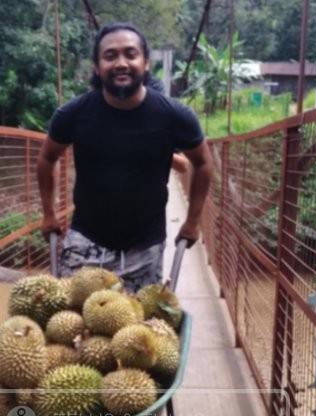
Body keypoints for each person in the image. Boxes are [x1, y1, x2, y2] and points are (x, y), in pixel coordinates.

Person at [37, 22, 213, 292]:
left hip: (145, 246)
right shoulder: (73, 115)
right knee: (72, 325)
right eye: (110, 56)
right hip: (86, 240)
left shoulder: (174, 116)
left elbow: (202, 163)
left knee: (138, 330)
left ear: (144, 63)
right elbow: (48, 158)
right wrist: (49, 213)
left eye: (130, 54)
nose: (121, 63)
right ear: (97, 67)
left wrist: (192, 221)